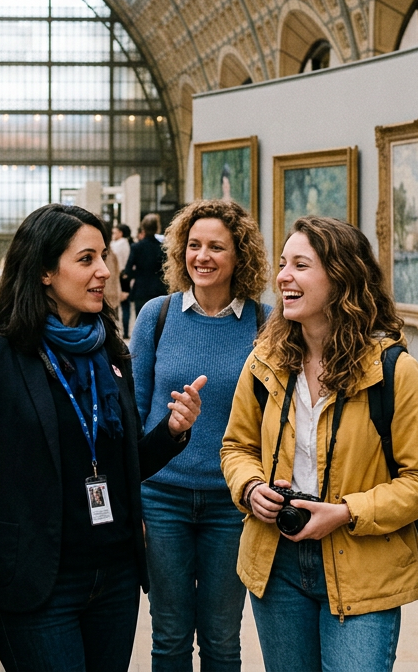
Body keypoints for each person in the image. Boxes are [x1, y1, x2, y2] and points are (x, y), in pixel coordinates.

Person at [0, 203, 204, 671]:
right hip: (40, 586)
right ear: (43, 272)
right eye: (86, 259)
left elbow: (124, 462)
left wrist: (174, 432)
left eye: (102, 257)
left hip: (114, 577)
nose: (103, 271)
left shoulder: (109, 347)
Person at [220, 216, 418, 672]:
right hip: (277, 561)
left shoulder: (394, 372)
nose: (282, 276)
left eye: (300, 265)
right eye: (283, 264)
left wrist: (346, 512)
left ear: (341, 278)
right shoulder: (266, 360)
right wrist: (250, 489)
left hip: (362, 565)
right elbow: (236, 447)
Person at [130, 200, 270, 672]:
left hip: (232, 504)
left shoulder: (264, 323)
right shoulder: (157, 314)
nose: (202, 257)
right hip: (162, 497)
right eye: (193, 246)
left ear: (239, 256)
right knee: (168, 636)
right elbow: (134, 408)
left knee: (221, 638)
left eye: (216, 247)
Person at [123, 213, 167, 335]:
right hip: (159, 288)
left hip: (141, 288)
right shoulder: (162, 247)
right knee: (159, 323)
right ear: (157, 228)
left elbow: (128, 269)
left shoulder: (136, 247)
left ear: (143, 228)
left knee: (142, 322)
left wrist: (134, 275)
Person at [111, 224, 133, 335]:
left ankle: (118, 330)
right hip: (125, 277)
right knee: (125, 306)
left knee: (118, 304)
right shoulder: (126, 244)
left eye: (115, 232)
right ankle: (125, 331)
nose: (113, 235)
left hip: (119, 276)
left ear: (121, 233)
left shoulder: (119, 245)